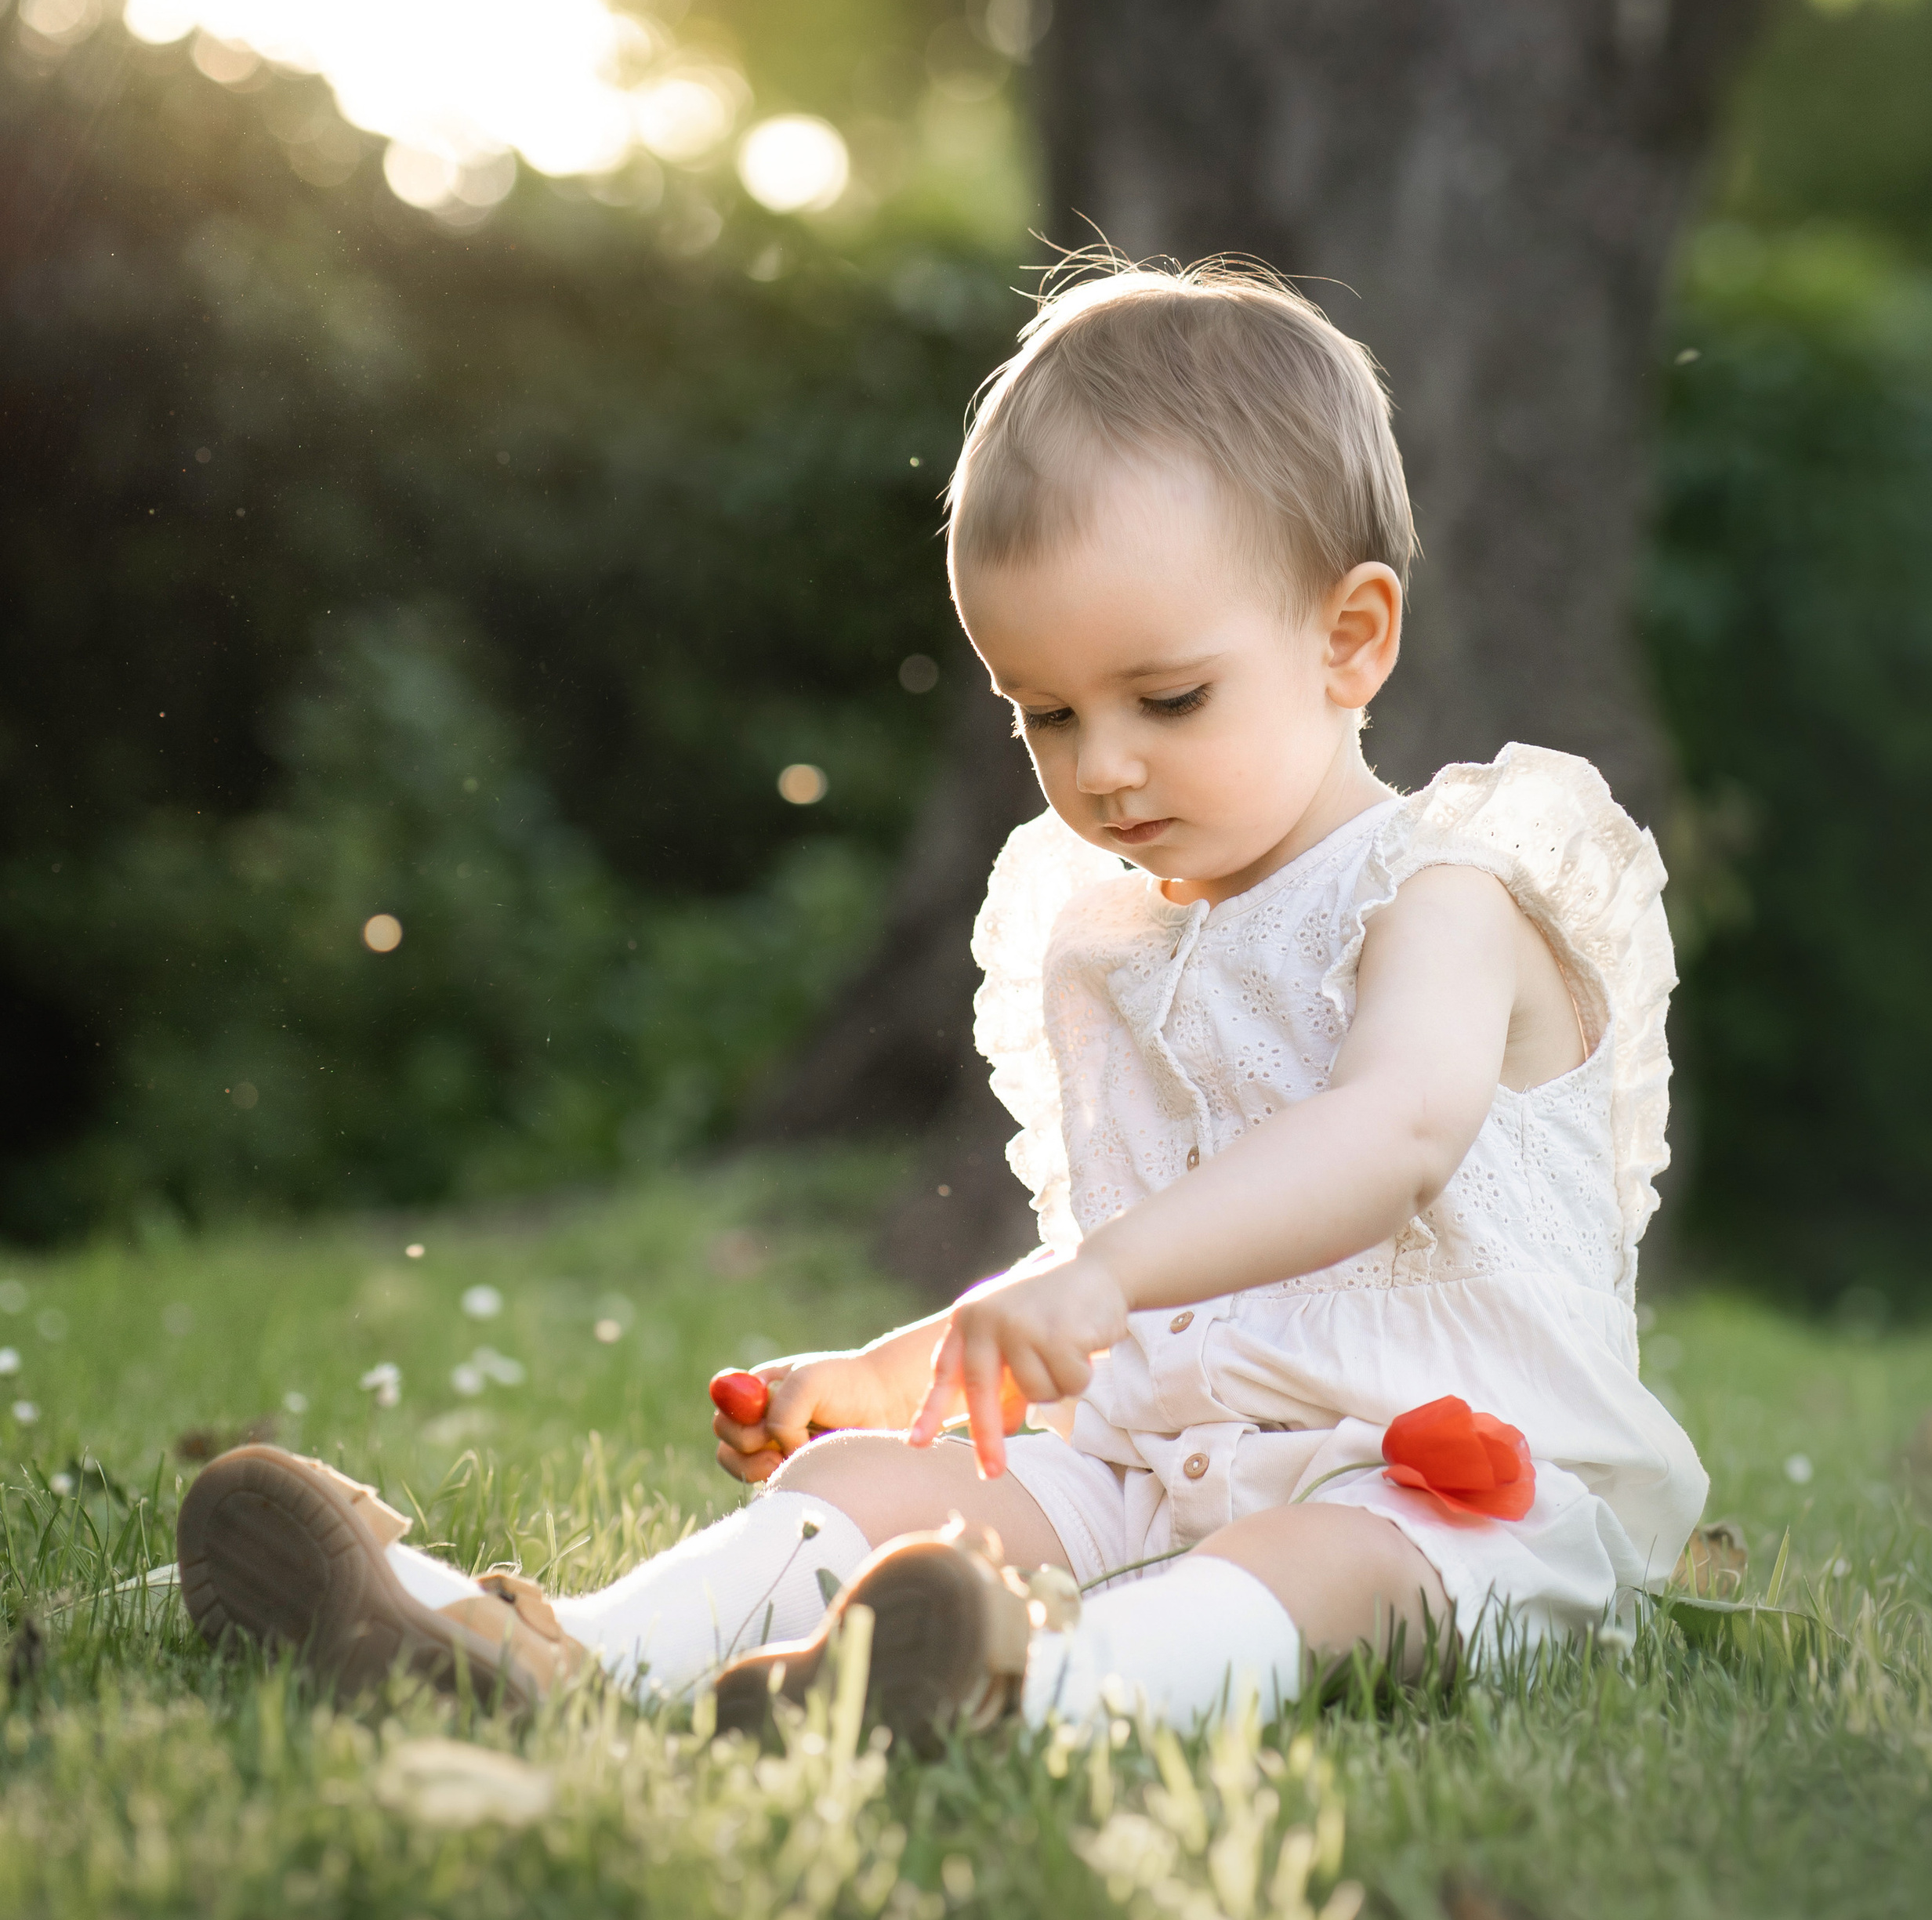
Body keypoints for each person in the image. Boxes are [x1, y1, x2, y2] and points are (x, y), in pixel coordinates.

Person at [179, 261, 1707, 1742]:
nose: (1099, 764)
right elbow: (1094, 1296)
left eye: (1165, 699)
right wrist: (892, 1377)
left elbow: (1393, 1133)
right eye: (1042, 711)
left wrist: (1101, 1277)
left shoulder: (1444, 893)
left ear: (1347, 638)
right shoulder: (1114, 935)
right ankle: (546, 1647)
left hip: (1453, 1488)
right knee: (872, 1492)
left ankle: (1024, 1693)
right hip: (1168, 1452)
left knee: (1310, 1567)